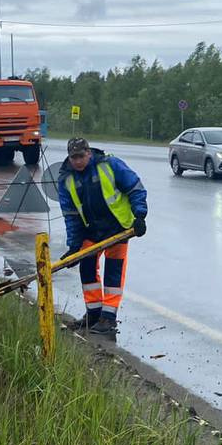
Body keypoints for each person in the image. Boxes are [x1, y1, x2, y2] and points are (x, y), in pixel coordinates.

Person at [57, 137, 147, 334]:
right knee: (87, 269)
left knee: (113, 272)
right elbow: (71, 216)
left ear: (89, 153)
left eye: (81, 156)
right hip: (90, 232)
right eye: (73, 157)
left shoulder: (110, 165)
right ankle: (94, 313)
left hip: (117, 228)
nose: (77, 161)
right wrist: (73, 246)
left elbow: (135, 188)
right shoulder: (66, 179)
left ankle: (109, 318)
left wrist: (140, 215)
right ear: (69, 158)